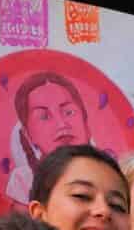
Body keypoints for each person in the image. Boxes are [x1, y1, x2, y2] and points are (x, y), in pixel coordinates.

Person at [6, 72, 91, 209]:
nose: (61, 124)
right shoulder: (24, 180)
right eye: (44, 117)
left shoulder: (109, 175)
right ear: (28, 135)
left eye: (68, 112)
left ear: (85, 122)